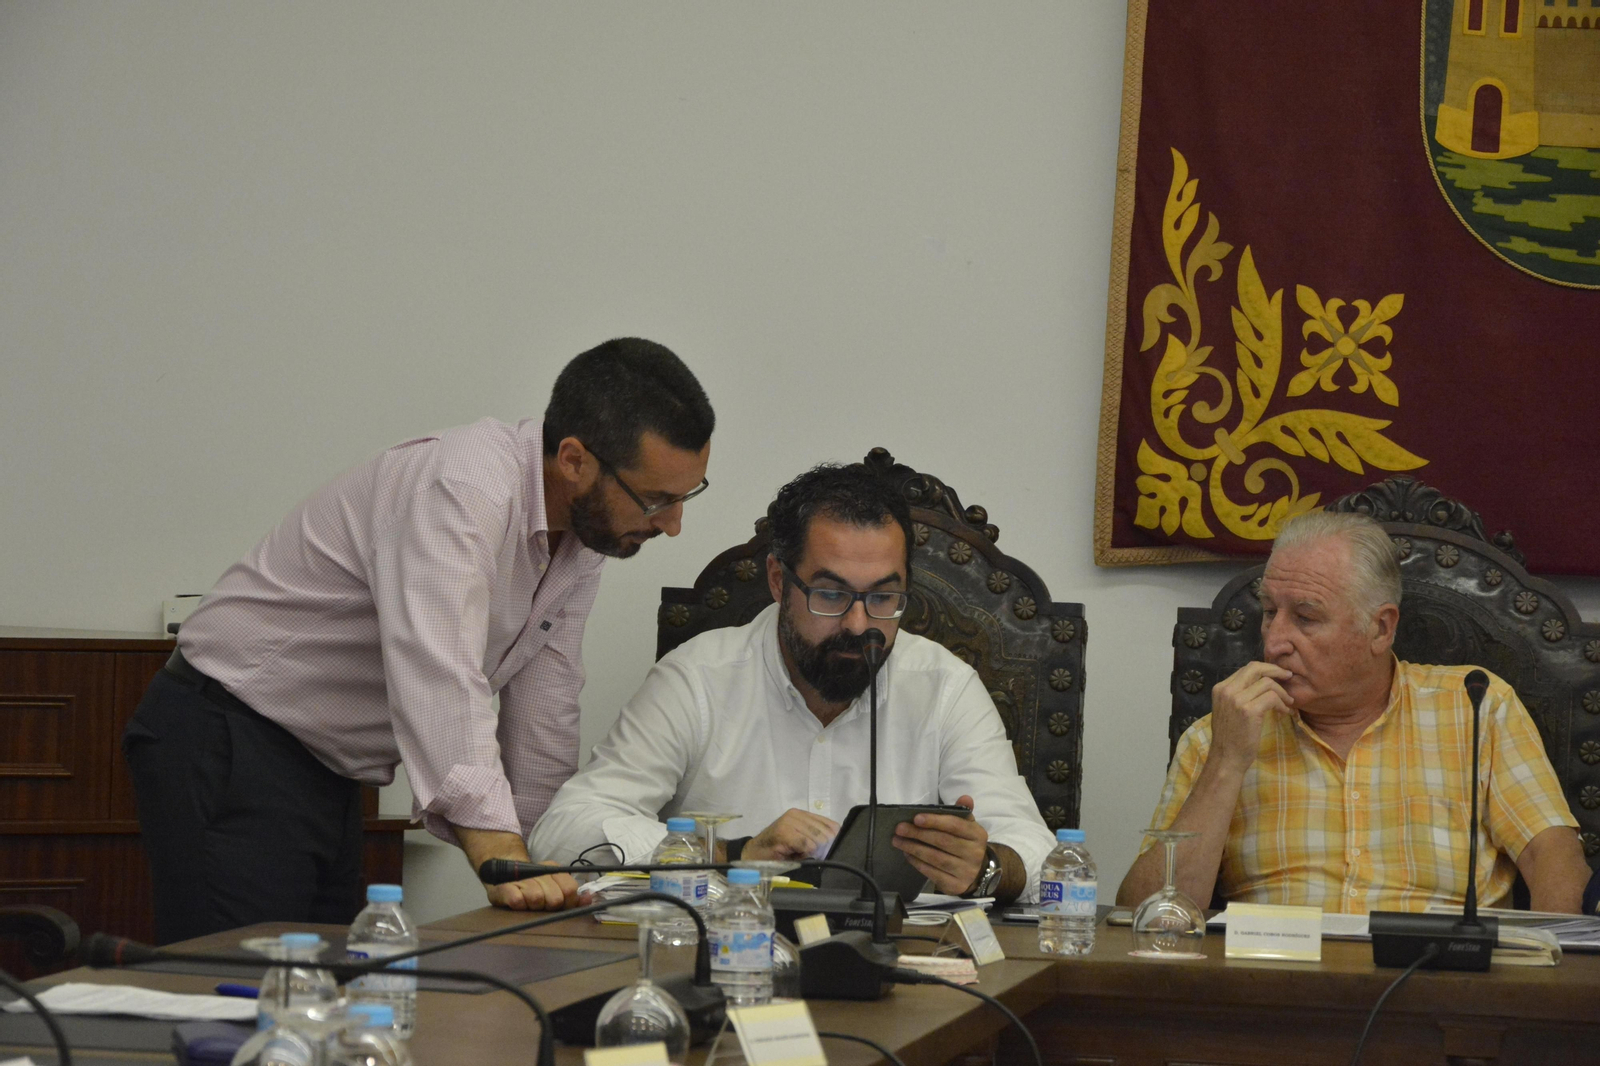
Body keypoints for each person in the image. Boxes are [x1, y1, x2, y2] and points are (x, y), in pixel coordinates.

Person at [123, 338, 714, 943]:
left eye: (686, 496)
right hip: (228, 733)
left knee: (316, 994)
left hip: (322, 766)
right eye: (657, 499)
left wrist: (551, 864)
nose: (671, 525)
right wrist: (501, 854)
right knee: (243, 991)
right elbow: (440, 677)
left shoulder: (585, 535)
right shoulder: (462, 489)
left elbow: (545, 705)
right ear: (572, 459)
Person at [529, 463, 1057, 905]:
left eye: (882, 598)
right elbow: (563, 832)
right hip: (729, 961)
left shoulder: (945, 688)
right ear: (779, 580)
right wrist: (730, 853)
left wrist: (985, 867)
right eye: (830, 595)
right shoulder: (697, 680)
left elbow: (1040, 854)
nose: (857, 625)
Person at [1117, 510, 1589, 914]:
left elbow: (1555, 862)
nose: (1274, 641)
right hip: (1273, 991)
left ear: (1380, 629)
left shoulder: (1477, 706)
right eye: (1268, 612)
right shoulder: (1219, 735)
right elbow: (1146, 915)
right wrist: (1225, 763)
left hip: (1443, 993)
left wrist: (1547, 986)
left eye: (1305, 617)